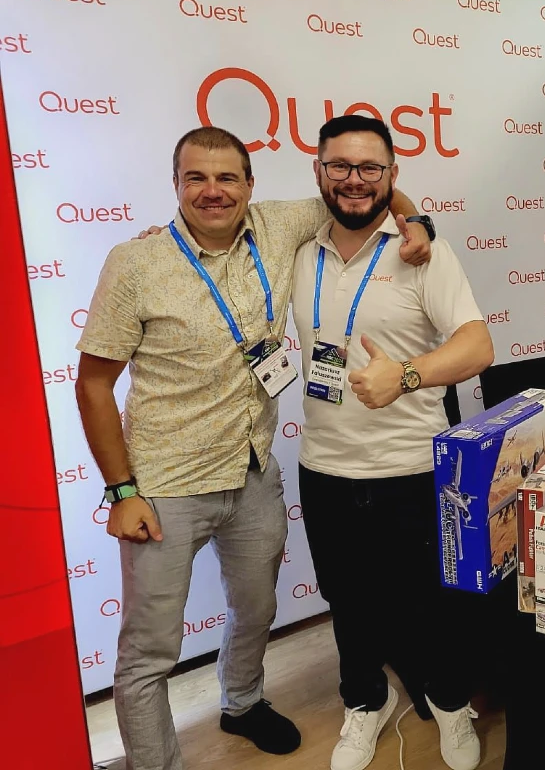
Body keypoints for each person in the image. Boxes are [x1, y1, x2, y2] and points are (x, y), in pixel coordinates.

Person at [73, 125, 431, 770]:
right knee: (149, 651)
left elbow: (367, 193)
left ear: (249, 184)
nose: (213, 191)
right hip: (165, 481)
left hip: (253, 470)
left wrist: (416, 223)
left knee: (257, 608)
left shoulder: (278, 224)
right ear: (176, 185)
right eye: (196, 178)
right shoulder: (136, 264)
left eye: (226, 177)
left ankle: (242, 702)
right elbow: (94, 385)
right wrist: (122, 491)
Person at [292, 115, 494, 770]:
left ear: (392, 175)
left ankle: (450, 700)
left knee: (432, 600)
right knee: (347, 599)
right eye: (341, 166)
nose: (355, 180)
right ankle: (364, 699)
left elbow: (477, 344)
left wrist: (406, 375)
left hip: (411, 467)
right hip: (324, 466)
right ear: (319, 171)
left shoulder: (421, 250)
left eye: (370, 167)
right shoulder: (295, 247)